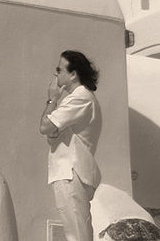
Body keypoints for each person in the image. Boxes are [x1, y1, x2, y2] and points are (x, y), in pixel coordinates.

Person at [39, 50, 102, 241]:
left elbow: (45, 127)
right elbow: (51, 133)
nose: (55, 74)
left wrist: (52, 99)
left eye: (59, 69)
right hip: (69, 173)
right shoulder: (77, 99)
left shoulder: (80, 98)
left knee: (78, 235)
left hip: (72, 173)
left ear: (73, 74)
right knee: (75, 233)